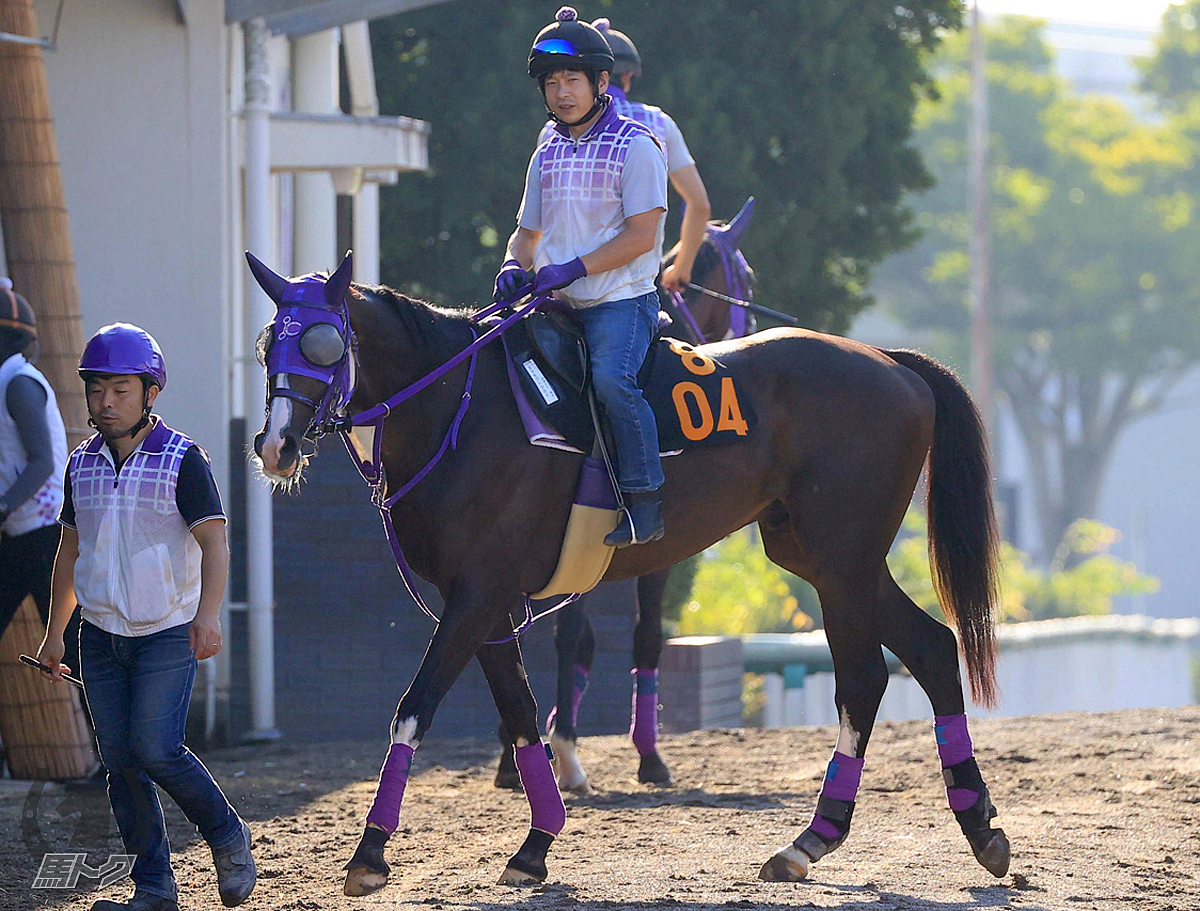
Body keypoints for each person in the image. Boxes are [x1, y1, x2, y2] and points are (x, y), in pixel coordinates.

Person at [36, 323, 255, 911]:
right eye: (96, 390)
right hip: (99, 637)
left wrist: (208, 616)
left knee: (157, 749)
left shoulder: (184, 459)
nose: (105, 402)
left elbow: (215, 543)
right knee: (121, 764)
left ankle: (228, 835)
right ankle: (155, 890)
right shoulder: (80, 464)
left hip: (167, 632)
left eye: (120, 390)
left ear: (150, 393)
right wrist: (55, 633)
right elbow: (70, 550)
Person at [498, 5, 668, 546]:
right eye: (551, 82)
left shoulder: (638, 145)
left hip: (621, 301)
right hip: (557, 303)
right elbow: (526, 234)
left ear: (601, 82)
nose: (561, 92)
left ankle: (645, 502)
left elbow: (644, 238)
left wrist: (572, 268)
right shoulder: (546, 149)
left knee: (612, 384)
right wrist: (511, 265)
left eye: (572, 79)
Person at [536, 17, 712, 295]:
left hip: (559, 284)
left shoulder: (552, 132)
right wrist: (682, 268)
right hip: (632, 288)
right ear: (626, 77)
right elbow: (699, 204)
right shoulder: (658, 124)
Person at [0, 278, 73, 667]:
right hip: (19, 532)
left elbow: (43, 460)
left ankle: (106, 728)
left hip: (46, 537)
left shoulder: (18, 385)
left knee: (70, 651)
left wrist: (3, 505)